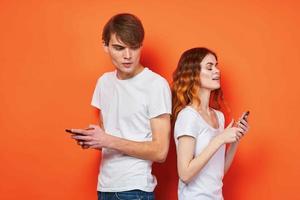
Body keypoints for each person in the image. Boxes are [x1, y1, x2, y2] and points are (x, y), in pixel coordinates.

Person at [69, 13, 172, 200]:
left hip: (135, 189)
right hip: (104, 187)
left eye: (134, 47)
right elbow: (110, 137)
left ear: (141, 46)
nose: (127, 56)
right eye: (119, 48)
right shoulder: (104, 83)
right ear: (105, 46)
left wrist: (107, 140)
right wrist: (94, 140)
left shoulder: (156, 85)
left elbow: (160, 151)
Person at [172, 47, 249, 200]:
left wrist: (235, 139)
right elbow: (185, 174)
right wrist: (220, 139)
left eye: (216, 65)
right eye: (209, 67)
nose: (217, 71)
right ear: (193, 74)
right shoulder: (188, 116)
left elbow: (218, 172)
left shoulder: (219, 117)